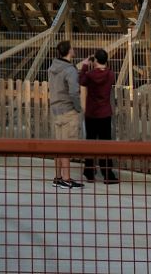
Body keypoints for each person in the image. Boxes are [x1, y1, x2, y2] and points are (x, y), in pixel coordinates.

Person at [79, 48, 119, 183]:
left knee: (90, 142)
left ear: (95, 60)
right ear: (106, 61)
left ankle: (89, 171)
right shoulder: (111, 75)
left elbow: (81, 81)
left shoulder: (90, 75)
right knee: (105, 144)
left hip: (91, 113)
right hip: (105, 113)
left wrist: (85, 65)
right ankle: (107, 174)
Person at [48, 39, 83, 189]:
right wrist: (78, 108)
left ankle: (58, 176)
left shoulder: (53, 67)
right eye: (72, 48)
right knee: (67, 146)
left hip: (56, 110)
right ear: (69, 51)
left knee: (58, 145)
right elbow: (74, 92)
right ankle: (67, 178)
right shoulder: (70, 70)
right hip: (68, 110)